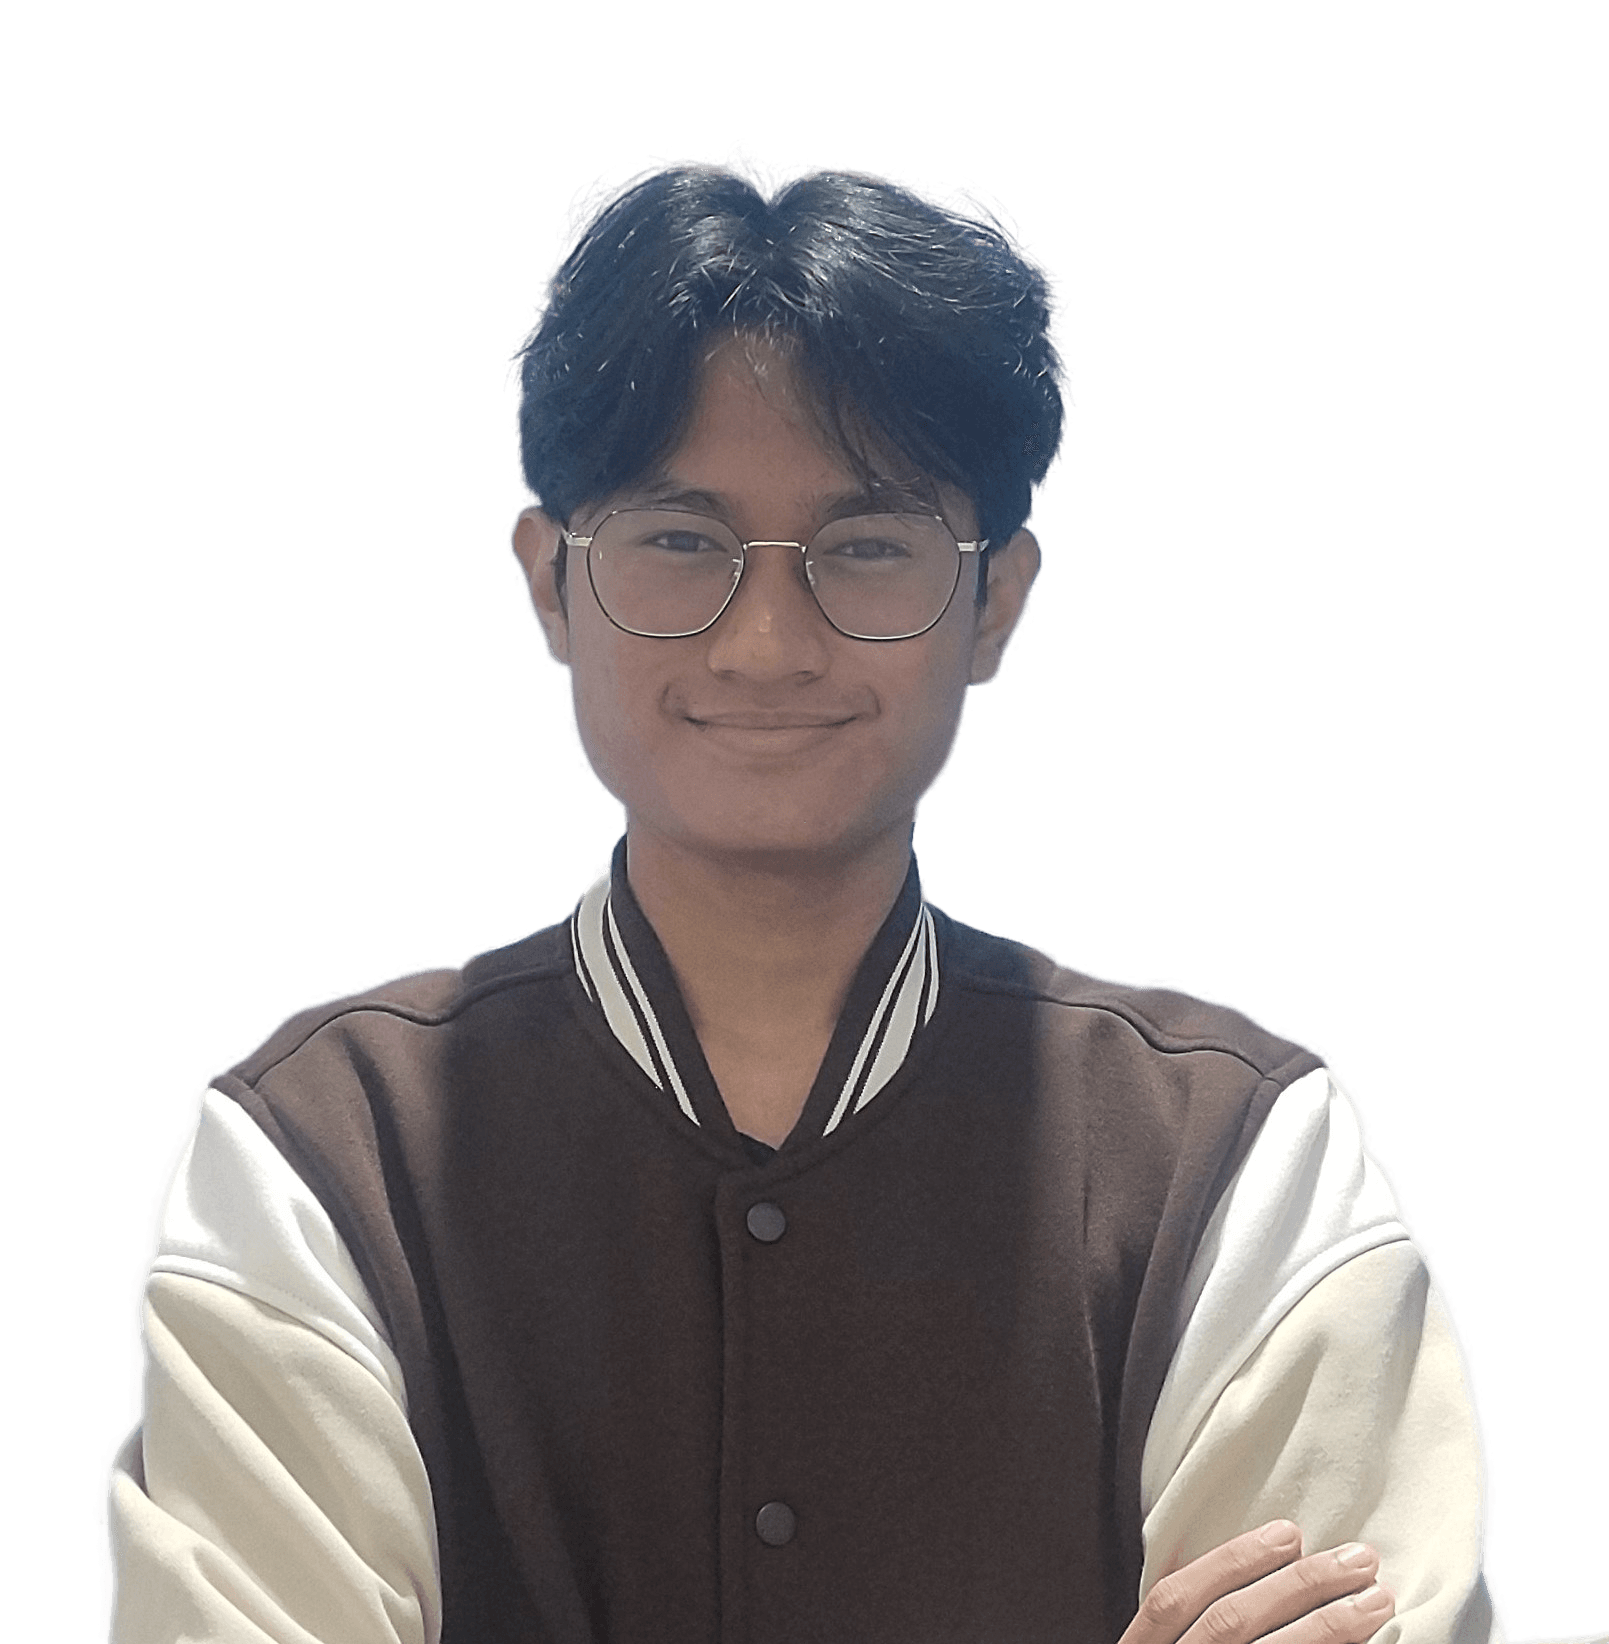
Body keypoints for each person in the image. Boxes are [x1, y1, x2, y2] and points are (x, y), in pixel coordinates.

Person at [98, 151, 1593, 1644]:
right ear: (549, 583)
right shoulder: (315, 1167)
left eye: (866, 548)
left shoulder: (1246, 1166)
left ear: (997, 599)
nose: (765, 642)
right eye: (680, 541)